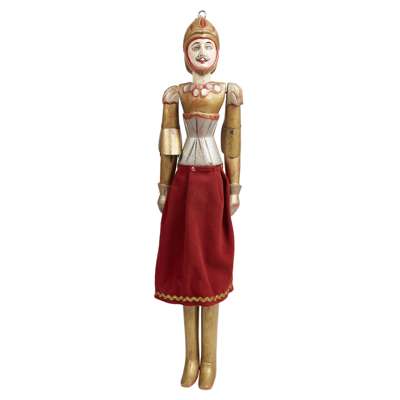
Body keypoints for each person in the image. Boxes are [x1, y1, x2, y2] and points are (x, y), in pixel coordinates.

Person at [154, 10, 243, 390]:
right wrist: (164, 186)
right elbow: (169, 141)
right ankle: (191, 357)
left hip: (211, 182)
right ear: (185, 53)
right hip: (185, 183)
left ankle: (210, 360)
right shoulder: (175, 94)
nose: (202, 52)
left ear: (217, 53)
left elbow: (232, 140)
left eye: (208, 45)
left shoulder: (228, 92)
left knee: (210, 263)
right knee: (187, 264)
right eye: (195, 46)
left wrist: (234, 187)